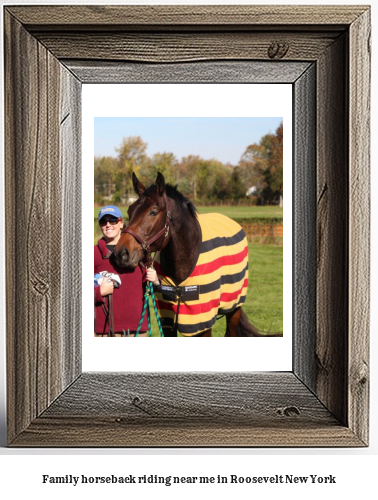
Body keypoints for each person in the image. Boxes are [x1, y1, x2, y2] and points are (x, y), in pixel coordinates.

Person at [94, 205, 159, 337]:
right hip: (105, 332)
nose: (108, 225)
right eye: (103, 221)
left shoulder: (139, 252)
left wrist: (156, 281)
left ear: (122, 223)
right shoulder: (92, 253)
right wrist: (99, 292)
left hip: (138, 330)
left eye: (113, 220)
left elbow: (149, 289)